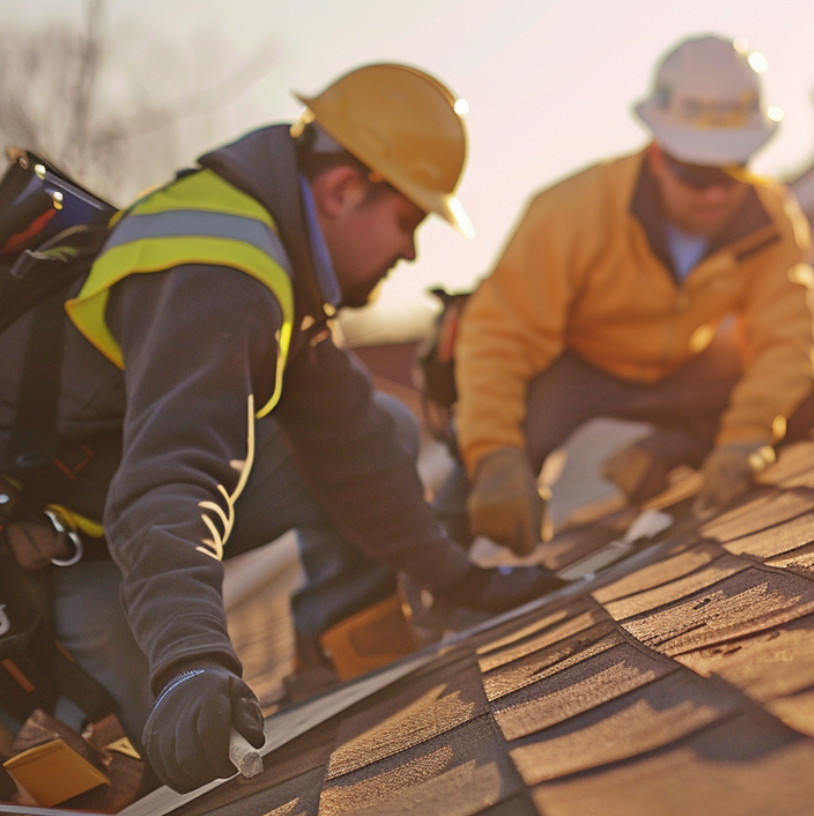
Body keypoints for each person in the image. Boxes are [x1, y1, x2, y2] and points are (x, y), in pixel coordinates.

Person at [0, 63, 560, 794]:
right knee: (174, 772)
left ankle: (344, 654)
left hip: (101, 519)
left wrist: (466, 582)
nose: (413, 252)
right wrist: (190, 663)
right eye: (410, 220)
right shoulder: (221, 272)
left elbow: (353, 448)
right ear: (342, 189)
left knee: (380, 428)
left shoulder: (263, 243)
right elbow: (170, 482)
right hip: (39, 566)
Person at [440, 35, 814, 557]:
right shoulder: (572, 210)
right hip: (574, 366)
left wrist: (745, 437)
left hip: (683, 369)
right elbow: (500, 333)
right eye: (696, 175)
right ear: (657, 154)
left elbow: (787, 339)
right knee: (481, 459)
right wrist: (492, 453)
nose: (715, 195)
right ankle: (438, 581)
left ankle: (664, 451)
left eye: (731, 172)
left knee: (813, 390)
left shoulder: (771, 220)